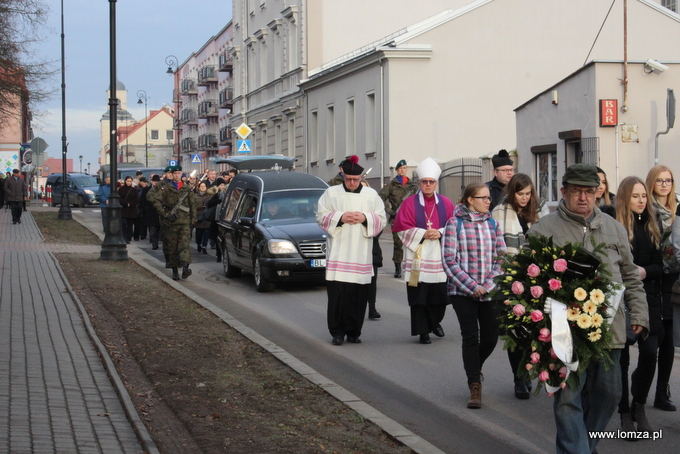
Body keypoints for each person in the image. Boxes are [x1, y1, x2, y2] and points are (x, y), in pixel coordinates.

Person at [527, 163, 648, 454]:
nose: (584, 198)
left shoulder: (614, 228)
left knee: (610, 394)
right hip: (562, 330)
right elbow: (529, 279)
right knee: (569, 398)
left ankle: (582, 445)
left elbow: (631, 275)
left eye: (590, 192)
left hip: (610, 329)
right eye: (577, 191)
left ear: (598, 192)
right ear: (563, 192)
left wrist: (640, 314)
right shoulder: (543, 230)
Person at [442, 182, 506, 409]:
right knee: (470, 336)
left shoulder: (493, 224)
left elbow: (501, 259)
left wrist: (487, 285)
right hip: (462, 291)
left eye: (489, 198)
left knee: (490, 336)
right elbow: (449, 260)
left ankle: (474, 366)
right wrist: (471, 286)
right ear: (470, 199)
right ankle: (474, 385)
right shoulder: (454, 224)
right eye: (484, 198)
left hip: (489, 291)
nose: (489, 201)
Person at [316, 155, 387, 345]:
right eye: (348, 179)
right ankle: (337, 332)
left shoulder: (371, 196)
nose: (352, 182)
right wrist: (340, 217)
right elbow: (320, 216)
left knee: (358, 296)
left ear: (361, 177)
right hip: (339, 251)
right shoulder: (331, 193)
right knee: (338, 296)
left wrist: (365, 218)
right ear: (343, 176)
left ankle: (354, 332)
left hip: (361, 253)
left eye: (356, 179)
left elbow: (381, 219)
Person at [491, 173, 549, 399]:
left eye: (528, 194)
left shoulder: (542, 210)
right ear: (512, 192)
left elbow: (547, 239)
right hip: (511, 277)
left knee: (535, 330)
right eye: (520, 194)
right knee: (516, 331)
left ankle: (528, 372)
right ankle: (519, 377)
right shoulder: (499, 211)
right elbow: (496, 245)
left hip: (537, 277)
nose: (525, 198)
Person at [613, 176, 662, 435]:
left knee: (649, 355)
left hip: (649, 299)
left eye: (644, 195)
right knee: (620, 358)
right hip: (621, 301)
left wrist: (645, 271)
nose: (641, 200)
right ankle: (623, 412)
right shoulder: (614, 226)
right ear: (624, 198)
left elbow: (660, 265)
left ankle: (639, 404)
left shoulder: (653, 225)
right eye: (635, 196)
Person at [392, 158, 454, 344]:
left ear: (436, 183)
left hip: (438, 256)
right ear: (419, 183)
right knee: (419, 297)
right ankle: (423, 331)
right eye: (424, 182)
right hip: (417, 256)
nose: (428, 185)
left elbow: (454, 227)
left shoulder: (446, 203)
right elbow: (401, 228)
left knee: (440, 297)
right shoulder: (409, 203)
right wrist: (423, 233)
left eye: (431, 182)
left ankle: (435, 322)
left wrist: (440, 232)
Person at [646, 164, 679, 412]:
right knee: (655, 338)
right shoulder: (648, 209)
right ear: (652, 183)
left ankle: (662, 391)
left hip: (673, 278)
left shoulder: (677, 208)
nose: (665, 185)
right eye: (660, 180)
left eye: (668, 180)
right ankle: (640, 385)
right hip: (653, 275)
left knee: (668, 337)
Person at [151, 165, 197, 280]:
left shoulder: (187, 189)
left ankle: (186, 267)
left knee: (184, 245)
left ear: (182, 174)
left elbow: (193, 205)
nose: (177, 175)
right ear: (172, 174)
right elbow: (156, 200)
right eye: (175, 173)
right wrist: (165, 214)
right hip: (171, 223)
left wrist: (193, 220)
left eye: (179, 173)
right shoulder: (166, 188)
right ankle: (175, 270)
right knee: (172, 247)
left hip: (185, 222)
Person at [379, 159, 418, 278]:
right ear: (397, 170)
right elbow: (380, 198)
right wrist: (390, 212)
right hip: (396, 218)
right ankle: (397, 267)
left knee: (412, 243)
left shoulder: (413, 186)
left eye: (405, 168)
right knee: (398, 244)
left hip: (411, 218)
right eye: (400, 168)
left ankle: (412, 266)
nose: (403, 170)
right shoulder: (391, 185)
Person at [206, 177, 227, 262]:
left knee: (221, 237)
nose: (223, 186)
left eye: (223, 185)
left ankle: (220, 254)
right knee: (215, 236)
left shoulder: (228, 195)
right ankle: (218, 254)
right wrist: (217, 201)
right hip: (216, 219)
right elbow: (209, 204)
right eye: (221, 185)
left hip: (224, 219)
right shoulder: (216, 195)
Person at [140, 175, 161, 250]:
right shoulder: (147, 189)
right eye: (154, 181)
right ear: (152, 181)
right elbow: (142, 200)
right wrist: (146, 208)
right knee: (152, 229)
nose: (155, 183)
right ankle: (154, 243)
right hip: (150, 212)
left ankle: (156, 240)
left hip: (159, 212)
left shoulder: (162, 190)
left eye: (157, 181)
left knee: (159, 229)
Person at [118, 176, 138, 244]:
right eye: (128, 181)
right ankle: (124, 237)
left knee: (130, 224)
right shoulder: (121, 189)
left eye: (130, 181)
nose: (129, 183)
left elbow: (136, 199)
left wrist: (131, 204)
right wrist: (126, 204)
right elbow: (119, 198)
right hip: (124, 209)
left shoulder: (134, 190)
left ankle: (129, 237)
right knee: (124, 223)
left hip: (132, 210)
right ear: (125, 181)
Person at [194, 181, 213, 253]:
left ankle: (204, 246)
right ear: (199, 188)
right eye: (201, 186)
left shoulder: (209, 196)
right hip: (199, 216)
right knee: (199, 232)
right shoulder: (195, 196)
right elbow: (194, 205)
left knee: (206, 232)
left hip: (207, 216)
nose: (203, 188)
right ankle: (199, 244)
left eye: (204, 186)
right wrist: (201, 206)